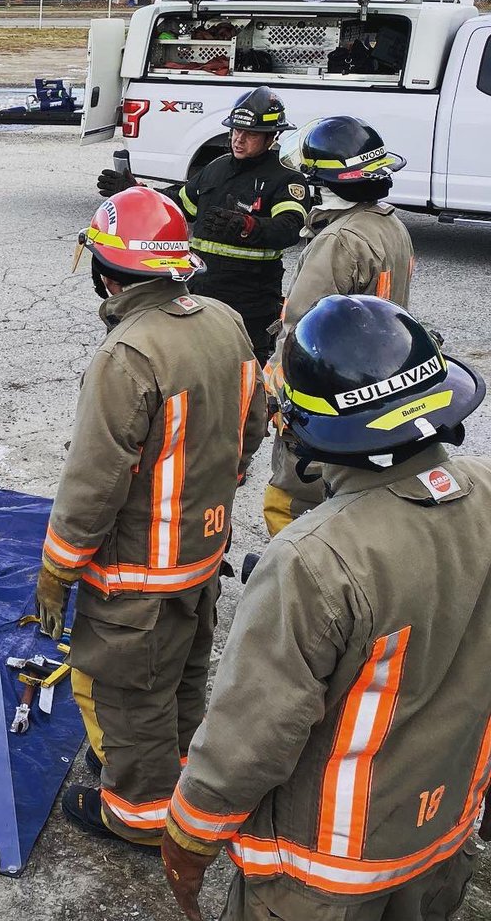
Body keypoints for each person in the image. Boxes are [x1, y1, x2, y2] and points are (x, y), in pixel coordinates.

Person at [163, 294, 490, 921]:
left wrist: (189, 832)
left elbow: (252, 734)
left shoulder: (315, 561)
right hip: (442, 842)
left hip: (326, 878)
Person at [34, 186, 267, 848]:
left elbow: (94, 483)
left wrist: (58, 569)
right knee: (184, 680)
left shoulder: (128, 353)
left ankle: (138, 817)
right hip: (200, 560)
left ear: (109, 273)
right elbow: (253, 424)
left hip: (137, 578)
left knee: (131, 696)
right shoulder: (226, 321)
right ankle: (181, 780)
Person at [263, 116, 414, 535]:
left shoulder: (337, 240)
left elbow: (301, 329)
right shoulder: (390, 225)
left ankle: (296, 578)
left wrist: (278, 393)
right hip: (377, 375)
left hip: (330, 386)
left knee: (297, 497)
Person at [98, 87, 309, 364]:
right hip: (198, 293)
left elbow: (290, 227)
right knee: (194, 365)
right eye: (235, 131)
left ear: (272, 137)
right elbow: (178, 204)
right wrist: (137, 191)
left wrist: (248, 226)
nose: (239, 139)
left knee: (243, 371)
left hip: (250, 302)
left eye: (251, 134)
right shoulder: (217, 168)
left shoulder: (285, 178)